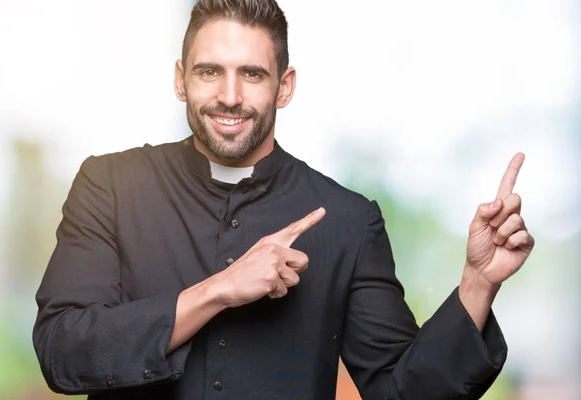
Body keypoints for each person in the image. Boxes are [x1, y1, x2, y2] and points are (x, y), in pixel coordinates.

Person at [32, 0, 535, 399]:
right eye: (210, 72)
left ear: (285, 86)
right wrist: (219, 290)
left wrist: (476, 286)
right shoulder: (110, 185)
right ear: (180, 80)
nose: (229, 95)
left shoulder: (347, 220)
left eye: (252, 74)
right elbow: (62, 350)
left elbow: (400, 390)